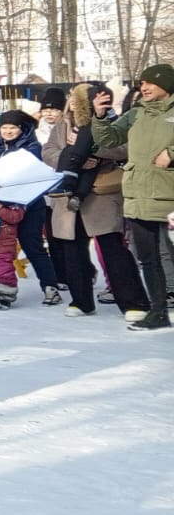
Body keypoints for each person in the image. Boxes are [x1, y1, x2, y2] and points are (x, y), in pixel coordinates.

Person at [43, 82, 149, 319]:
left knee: (113, 249)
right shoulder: (64, 124)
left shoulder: (113, 121)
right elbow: (48, 150)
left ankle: (134, 303)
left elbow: (124, 149)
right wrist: (70, 157)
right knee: (72, 249)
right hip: (68, 198)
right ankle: (81, 300)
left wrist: (94, 151)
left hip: (100, 193)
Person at [91, 63, 174, 331]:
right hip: (139, 195)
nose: (144, 87)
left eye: (150, 82)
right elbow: (110, 139)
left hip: (169, 195)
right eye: (142, 83)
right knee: (148, 259)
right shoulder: (137, 114)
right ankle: (158, 312)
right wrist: (100, 116)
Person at [0, 109, 66, 305]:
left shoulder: (32, 147)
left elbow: (27, 174)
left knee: (32, 245)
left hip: (28, 205)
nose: (8, 131)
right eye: (4, 127)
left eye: (13, 127)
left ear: (21, 129)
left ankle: (50, 287)